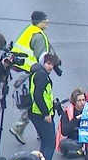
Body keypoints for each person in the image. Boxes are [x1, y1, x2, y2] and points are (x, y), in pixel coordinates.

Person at [9, 11, 55, 145]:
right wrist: (50, 68)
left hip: (28, 69)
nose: (48, 21)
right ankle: (22, 126)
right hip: (35, 71)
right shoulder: (38, 36)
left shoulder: (31, 30)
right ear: (40, 21)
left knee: (35, 99)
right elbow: (42, 57)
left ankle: (23, 127)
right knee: (41, 98)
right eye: (45, 19)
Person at [28, 53, 59, 160]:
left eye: (52, 64)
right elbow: (38, 96)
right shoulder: (41, 75)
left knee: (45, 143)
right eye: (48, 63)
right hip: (41, 115)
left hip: (35, 113)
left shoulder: (37, 72)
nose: (51, 67)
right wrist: (46, 113)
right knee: (50, 144)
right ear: (43, 62)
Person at [56, 88, 86, 159]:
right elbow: (64, 132)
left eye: (83, 100)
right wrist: (76, 119)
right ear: (74, 102)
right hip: (74, 139)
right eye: (79, 100)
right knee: (63, 144)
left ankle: (79, 152)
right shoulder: (67, 113)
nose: (82, 103)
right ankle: (82, 151)